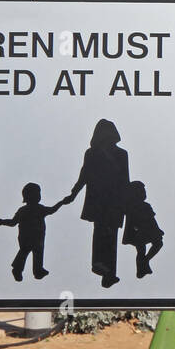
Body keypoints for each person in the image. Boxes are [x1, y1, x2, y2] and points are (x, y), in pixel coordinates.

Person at [68, 119, 130, 288]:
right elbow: (84, 175)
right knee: (101, 233)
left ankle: (110, 274)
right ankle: (100, 267)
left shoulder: (121, 154)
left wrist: (127, 201)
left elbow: (125, 179)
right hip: (100, 202)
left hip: (114, 202)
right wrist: (73, 193)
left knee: (111, 236)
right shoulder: (92, 153)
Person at [0, 183, 72, 281]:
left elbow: (13, 222)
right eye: (36, 194)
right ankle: (20, 269)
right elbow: (13, 222)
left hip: (37, 236)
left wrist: (61, 203)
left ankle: (36, 270)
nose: (38, 196)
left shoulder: (34, 209)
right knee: (26, 251)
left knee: (34, 252)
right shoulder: (31, 209)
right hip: (29, 236)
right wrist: (3, 222)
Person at [121, 181, 165, 278]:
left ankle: (144, 263)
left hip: (145, 231)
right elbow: (133, 221)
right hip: (138, 232)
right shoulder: (132, 206)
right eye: (142, 191)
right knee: (142, 249)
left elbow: (152, 220)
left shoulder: (145, 206)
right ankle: (143, 265)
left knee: (156, 244)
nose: (144, 193)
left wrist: (157, 230)